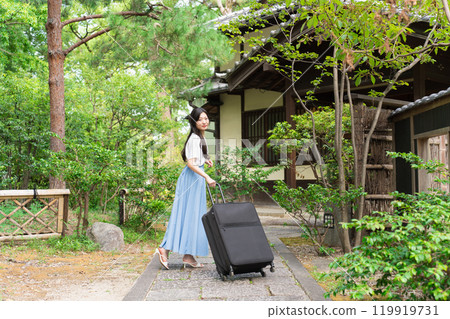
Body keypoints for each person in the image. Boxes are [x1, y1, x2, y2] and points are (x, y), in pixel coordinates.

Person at [155, 107, 216, 269]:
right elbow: (190, 164)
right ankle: (164, 248)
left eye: (206, 118)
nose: (205, 121)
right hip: (191, 180)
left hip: (195, 180)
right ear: (194, 122)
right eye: (201, 119)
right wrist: (207, 176)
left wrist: (206, 159)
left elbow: (196, 159)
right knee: (184, 215)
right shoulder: (195, 139)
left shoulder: (199, 138)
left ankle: (188, 256)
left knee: (194, 216)